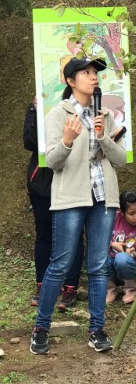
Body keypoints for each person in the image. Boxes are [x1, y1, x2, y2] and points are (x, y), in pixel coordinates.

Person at [30, 57, 127, 356]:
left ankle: (97, 330)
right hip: (71, 198)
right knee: (59, 264)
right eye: (86, 72)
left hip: (103, 199)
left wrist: (102, 137)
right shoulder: (58, 114)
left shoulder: (104, 115)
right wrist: (69, 140)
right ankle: (41, 328)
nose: (93, 76)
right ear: (71, 81)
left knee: (98, 266)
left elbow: (120, 160)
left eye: (95, 72)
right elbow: (54, 162)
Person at [23, 99, 84, 310]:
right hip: (43, 182)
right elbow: (30, 142)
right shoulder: (42, 103)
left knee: (74, 237)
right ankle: (43, 286)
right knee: (45, 234)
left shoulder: (84, 105)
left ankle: (70, 288)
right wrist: (35, 111)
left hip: (73, 179)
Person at [106, 190, 136, 305]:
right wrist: (111, 244)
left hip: (130, 266)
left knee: (122, 258)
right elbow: (98, 238)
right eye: (131, 214)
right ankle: (109, 290)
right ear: (121, 212)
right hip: (109, 264)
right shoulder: (112, 219)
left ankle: (130, 289)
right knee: (99, 257)